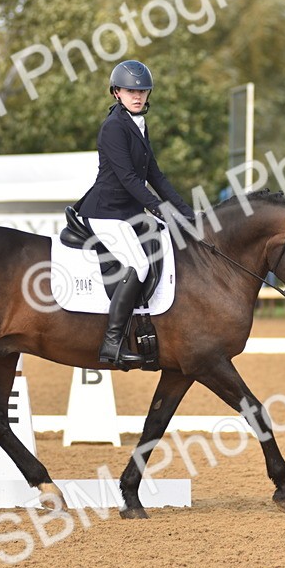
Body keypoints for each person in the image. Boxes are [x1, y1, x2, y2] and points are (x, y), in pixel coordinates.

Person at [75, 60, 196, 369]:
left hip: (127, 212)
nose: (138, 96)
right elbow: (129, 179)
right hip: (105, 212)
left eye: (142, 91)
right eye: (131, 91)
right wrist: (162, 210)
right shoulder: (113, 127)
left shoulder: (139, 123)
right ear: (116, 92)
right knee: (138, 264)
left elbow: (155, 175)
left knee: (167, 243)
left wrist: (186, 213)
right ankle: (112, 342)